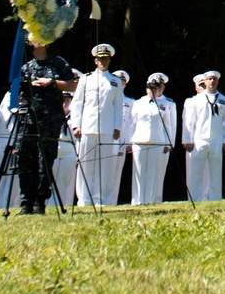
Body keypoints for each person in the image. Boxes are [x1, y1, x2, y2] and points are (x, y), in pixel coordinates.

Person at [16, 38, 76, 214]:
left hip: (50, 116)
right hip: (28, 116)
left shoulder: (58, 63)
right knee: (25, 158)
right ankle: (26, 201)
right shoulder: (26, 67)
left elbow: (72, 85)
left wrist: (51, 83)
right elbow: (18, 89)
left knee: (46, 159)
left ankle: (40, 201)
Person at [71, 43, 124, 207]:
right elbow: (78, 103)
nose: (104, 61)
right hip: (87, 126)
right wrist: (76, 125)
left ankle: (101, 198)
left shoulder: (115, 81)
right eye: (101, 59)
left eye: (106, 59)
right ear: (95, 61)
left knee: (105, 165)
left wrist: (117, 127)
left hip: (107, 128)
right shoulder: (86, 79)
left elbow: (118, 105)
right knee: (85, 163)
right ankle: (84, 198)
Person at [182, 70, 225, 201]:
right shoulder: (196, 100)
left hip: (217, 140)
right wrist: (187, 139)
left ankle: (215, 199)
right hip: (199, 139)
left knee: (215, 173)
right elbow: (189, 121)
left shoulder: (224, 100)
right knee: (196, 173)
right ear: (204, 81)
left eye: (214, 79)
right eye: (209, 79)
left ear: (218, 81)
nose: (212, 81)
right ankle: (194, 199)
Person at [130, 73, 176, 205]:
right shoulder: (138, 103)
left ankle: (151, 200)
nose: (152, 90)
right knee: (138, 171)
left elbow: (170, 125)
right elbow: (132, 123)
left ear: (160, 88)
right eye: (150, 87)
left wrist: (169, 142)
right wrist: (129, 140)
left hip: (158, 141)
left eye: (155, 87)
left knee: (154, 172)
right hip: (139, 140)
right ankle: (137, 201)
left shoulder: (168, 104)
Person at [47, 93, 78, 211]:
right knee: (50, 179)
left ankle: (58, 205)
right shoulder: (52, 114)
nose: (64, 103)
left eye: (67, 99)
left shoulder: (75, 115)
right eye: (62, 99)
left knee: (63, 180)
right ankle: (47, 204)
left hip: (69, 147)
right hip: (54, 145)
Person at [109, 70, 136, 206]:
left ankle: (112, 202)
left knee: (116, 173)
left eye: (123, 82)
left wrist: (128, 142)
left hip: (121, 141)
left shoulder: (130, 102)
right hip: (106, 141)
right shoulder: (107, 99)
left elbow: (131, 123)